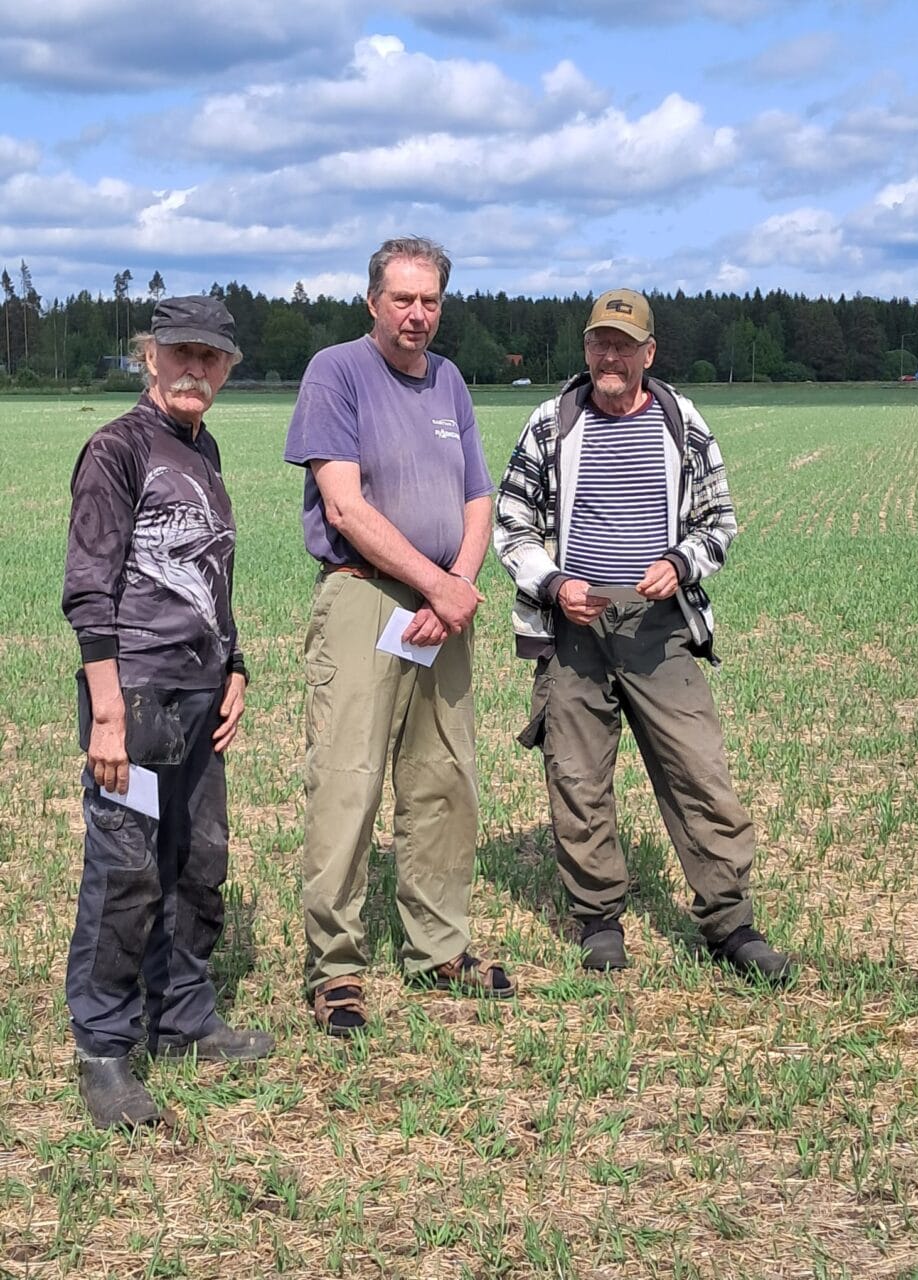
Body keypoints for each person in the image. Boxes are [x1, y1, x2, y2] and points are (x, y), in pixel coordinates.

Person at [494, 289, 793, 982]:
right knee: (577, 778)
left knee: (699, 772)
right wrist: (553, 585)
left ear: (648, 354)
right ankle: (598, 919)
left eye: (624, 345)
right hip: (575, 623)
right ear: (586, 349)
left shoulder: (682, 422)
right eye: (600, 342)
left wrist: (680, 563)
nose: (610, 356)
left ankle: (730, 923)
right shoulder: (550, 423)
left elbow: (718, 521)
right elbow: (511, 522)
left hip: (659, 629)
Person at [284, 236, 515, 1036]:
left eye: (430, 301)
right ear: (372, 302)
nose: (417, 314)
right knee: (347, 782)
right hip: (365, 600)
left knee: (444, 779)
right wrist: (437, 584)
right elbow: (344, 507)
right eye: (402, 299)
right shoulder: (336, 372)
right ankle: (336, 969)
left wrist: (458, 589)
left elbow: (479, 498)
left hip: (445, 610)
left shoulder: (449, 380)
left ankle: (438, 948)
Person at [62, 295, 274, 1129]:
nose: (195, 368)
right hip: (137, 697)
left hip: (200, 694)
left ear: (226, 368)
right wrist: (107, 715)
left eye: (210, 357)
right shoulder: (115, 449)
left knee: (196, 862)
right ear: (150, 356)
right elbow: (89, 590)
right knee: (125, 871)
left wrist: (235, 663)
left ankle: (183, 1019)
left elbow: (211, 574)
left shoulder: (201, 447)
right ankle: (104, 1049)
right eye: (181, 352)